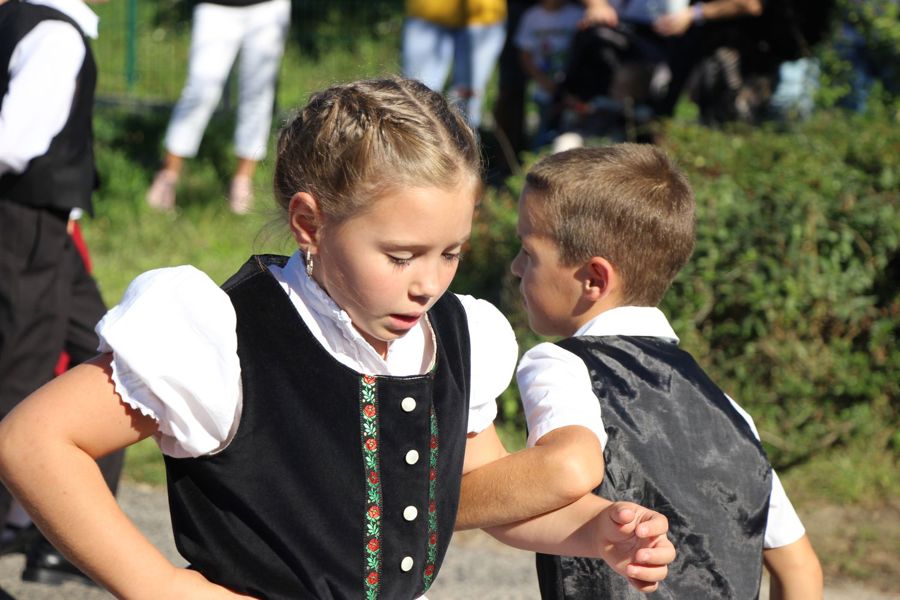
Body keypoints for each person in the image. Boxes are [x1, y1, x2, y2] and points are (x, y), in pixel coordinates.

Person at [0, 78, 674, 598]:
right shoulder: (226, 339)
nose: (428, 284)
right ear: (310, 224)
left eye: (451, 253)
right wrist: (158, 586)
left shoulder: (456, 335)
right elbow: (34, 441)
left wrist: (595, 530)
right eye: (401, 256)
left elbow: (468, 494)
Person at [469, 144, 823, 598]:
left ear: (594, 279)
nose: (516, 268)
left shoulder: (562, 364)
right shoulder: (732, 413)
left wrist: (428, 507)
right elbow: (800, 570)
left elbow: (560, 470)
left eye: (528, 252)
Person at [0, 0, 123, 587]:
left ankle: (65, 539)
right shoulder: (51, 31)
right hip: (24, 222)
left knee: (113, 357)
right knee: (20, 369)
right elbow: (14, 142)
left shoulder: (34, 25)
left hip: (45, 227)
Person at [145, 0, 291, 215]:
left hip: (268, 8)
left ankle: (242, 180)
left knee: (258, 95)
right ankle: (168, 175)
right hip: (216, 7)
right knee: (200, 91)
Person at [402, 0, 508, 130]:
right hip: (428, 11)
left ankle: (462, 142)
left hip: (484, 14)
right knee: (416, 100)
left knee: (467, 108)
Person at [513, 0, 585, 148]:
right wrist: (543, 81)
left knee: (570, 134)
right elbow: (525, 55)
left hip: (572, 91)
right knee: (543, 133)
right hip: (543, 88)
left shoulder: (577, 15)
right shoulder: (531, 16)